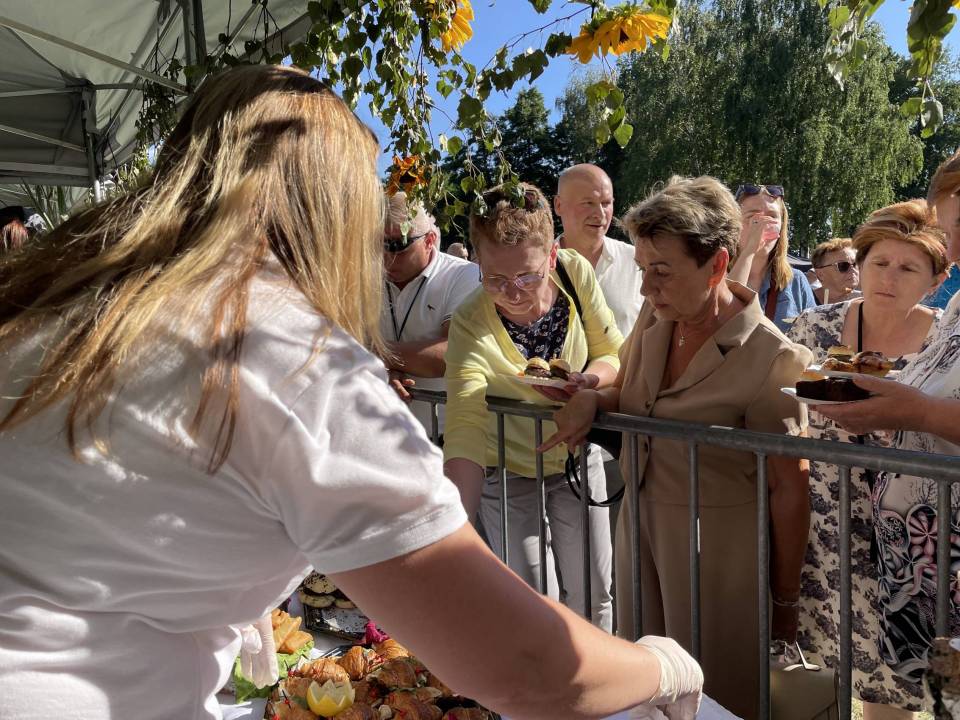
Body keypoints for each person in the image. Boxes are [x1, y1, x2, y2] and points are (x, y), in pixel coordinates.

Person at [0, 65, 702, 720]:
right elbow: (528, 666)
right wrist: (662, 666)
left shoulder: (62, 304)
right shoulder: (293, 356)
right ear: (334, 211)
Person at [539, 175, 812, 720]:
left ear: (717, 264)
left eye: (661, 271)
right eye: (642, 269)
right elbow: (632, 394)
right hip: (639, 538)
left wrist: (784, 601)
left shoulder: (773, 357)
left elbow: (790, 488)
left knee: (715, 700)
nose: (645, 288)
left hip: (720, 564)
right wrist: (591, 399)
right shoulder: (656, 318)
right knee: (642, 695)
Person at [788, 200, 946, 716]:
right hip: (831, 526)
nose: (888, 278)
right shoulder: (813, 328)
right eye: (879, 262)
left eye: (908, 268)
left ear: (936, 279)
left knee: (906, 678)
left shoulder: (945, 342)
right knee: (838, 669)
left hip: (916, 534)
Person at [443, 183, 623, 632]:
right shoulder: (470, 320)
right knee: (530, 599)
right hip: (506, 469)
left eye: (527, 276)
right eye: (495, 280)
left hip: (577, 458)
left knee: (594, 590)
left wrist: (590, 382)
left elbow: (611, 353)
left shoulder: (576, 273)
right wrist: (455, 530)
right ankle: (543, 675)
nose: (513, 293)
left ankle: (597, 672)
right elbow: (464, 423)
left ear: (552, 257)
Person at [817, 151, 960, 705]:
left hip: (943, 560)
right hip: (921, 568)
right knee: (940, 701)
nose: (951, 246)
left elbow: (926, 409)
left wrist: (912, 412)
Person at [382, 193, 479, 435]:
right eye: (379, 244)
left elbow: (451, 354)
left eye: (398, 245)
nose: (387, 257)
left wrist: (374, 353)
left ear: (429, 240)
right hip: (381, 435)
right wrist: (387, 367)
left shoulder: (464, 275)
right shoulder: (364, 277)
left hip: (448, 436)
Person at [554, 163, 644, 337]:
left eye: (606, 203)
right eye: (588, 203)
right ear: (559, 205)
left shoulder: (638, 262)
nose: (601, 214)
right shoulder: (536, 268)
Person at [728, 183, 817, 331]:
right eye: (753, 217)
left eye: (772, 216)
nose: (764, 224)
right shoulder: (715, 274)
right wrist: (750, 250)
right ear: (734, 225)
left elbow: (813, 336)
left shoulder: (796, 281)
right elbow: (724, 315)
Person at [809, 237, 861, 305]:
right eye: (843, 265)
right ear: (820, 274)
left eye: (855, 264)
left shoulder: (865, 301)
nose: (852, 270)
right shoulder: (804, 301)